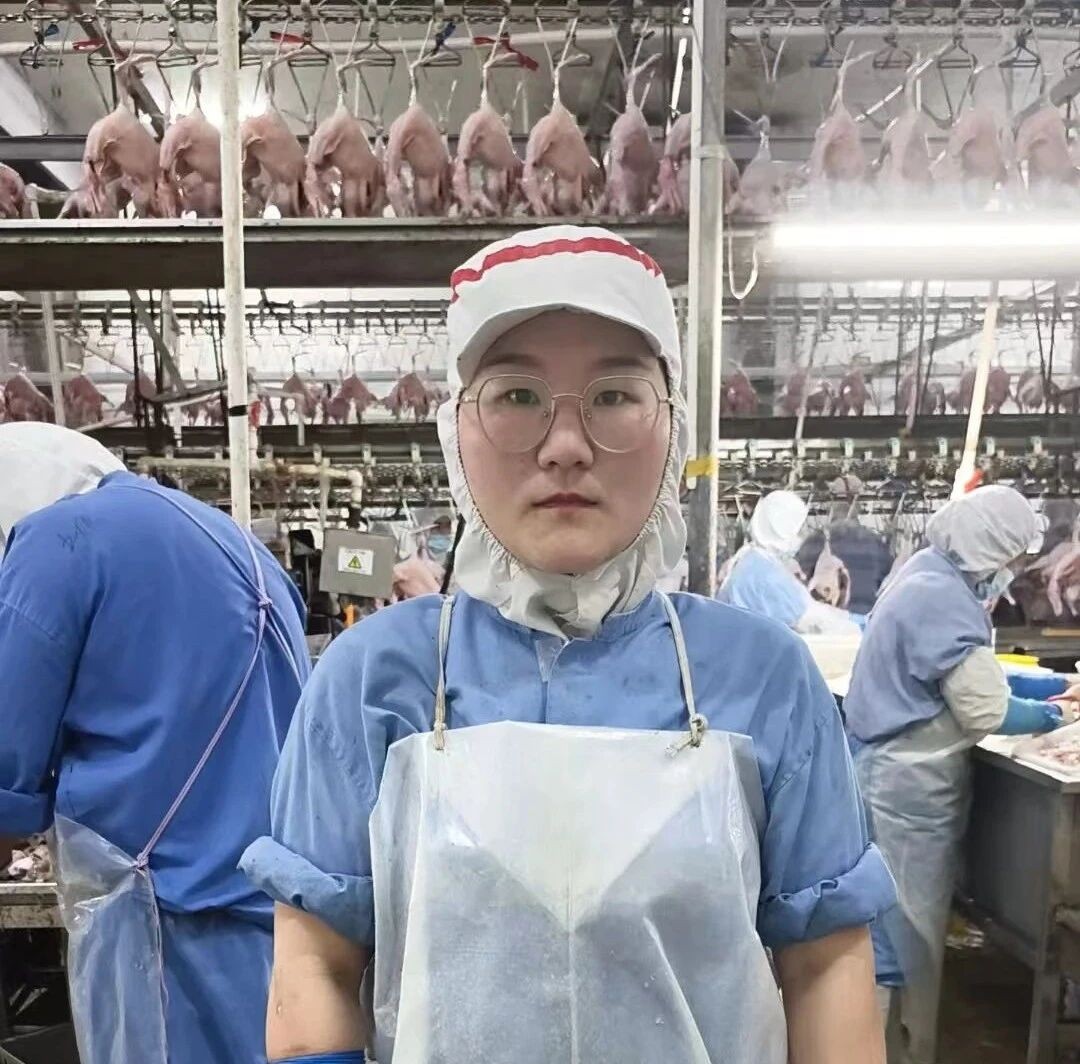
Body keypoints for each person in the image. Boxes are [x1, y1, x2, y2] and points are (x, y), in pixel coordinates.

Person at [243, 225, 896, 1064]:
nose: (564, 446)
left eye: (615, 396)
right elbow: (316, 969)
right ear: (455, 431)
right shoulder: (373, 679)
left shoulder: (763, 679)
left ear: (673, 428)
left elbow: (824, 967)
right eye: (516, 395)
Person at [0, 422, 310, 1064]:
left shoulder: (55, 540)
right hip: (277, 910)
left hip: (158, 916)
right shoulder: (239, 542)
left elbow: (7, 761)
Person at [844, 485, 1062, 1064]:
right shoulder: (942, 599)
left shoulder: (926, 572)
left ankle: (886, 1044)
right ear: (993, 546)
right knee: (902, 932)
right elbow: (985, 710)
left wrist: (1038, 689)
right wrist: (1050, 716)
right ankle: (891, 1050)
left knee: (885, 926)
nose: (1011, 572)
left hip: (888, 775)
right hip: (908, 790)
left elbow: (963, 676)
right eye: (1012, 557)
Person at [718, 488, 864, 633]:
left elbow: (808, 608)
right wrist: (860, 626)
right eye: (799, 528)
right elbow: (812, 621)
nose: (801, 534)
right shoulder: (764, 574)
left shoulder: (752, 560)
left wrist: (852, 618)